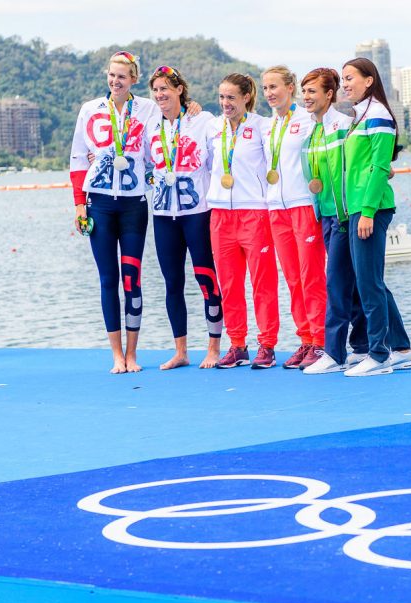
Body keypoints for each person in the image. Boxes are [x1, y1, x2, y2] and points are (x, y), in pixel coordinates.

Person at [70, 51, 159, 374]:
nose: (115, 81)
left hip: (134, 204)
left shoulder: (148, 108)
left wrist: (190, 106)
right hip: (100, 204)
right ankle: (116, 355)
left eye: (122, 76)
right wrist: (80, 203)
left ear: (133, 79)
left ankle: (133, 354)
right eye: (111, 75)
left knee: (132, 280)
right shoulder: (90, 109)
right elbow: (78, 159)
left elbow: (164, 139)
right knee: (108, 279)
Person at [338, 58, 411, 377]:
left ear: (369, 80)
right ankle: (402, 350)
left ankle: (379, 354)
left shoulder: (379, 115)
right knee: (373, 282)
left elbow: (380, 166)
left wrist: (368, 212)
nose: (345, 84)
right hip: (359, 205)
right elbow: (373, 163)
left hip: (370, 208)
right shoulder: (360, 115)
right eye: (342, 79)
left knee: (368, 283)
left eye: (350, 78)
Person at [147, 65, 223, 370]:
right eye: (155, 89)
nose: (160, 94)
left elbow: (220, 153)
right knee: (172, 283)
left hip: (197, 213)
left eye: (165, 88)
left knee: (206, 279)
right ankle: (180, 351)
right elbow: (141, 163)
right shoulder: (151, 126)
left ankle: (214, 348)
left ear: (180, 89)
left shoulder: (201, 120)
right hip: (163, 214)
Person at [206, 73, 279, 369]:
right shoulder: (211, 126)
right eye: (222, 97)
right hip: (220, 214)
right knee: (230, 284)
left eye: (231, 98)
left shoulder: (263, 126)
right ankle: (237, 345)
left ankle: (268, 345)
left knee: (263, 283)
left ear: (247, 97)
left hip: (254, 213)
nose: (225, 103)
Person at [300, 68, 370, 375]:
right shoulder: (311, 131)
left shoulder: (344, 125)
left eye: (313, 91)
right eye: (304, 91)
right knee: (348, 282)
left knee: (337, 281)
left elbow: (357, 165)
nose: (307, 97)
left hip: (344, 216)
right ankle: (363, 345)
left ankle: (333, 351)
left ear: (330, 94)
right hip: (325, 215)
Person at [260, 66, 327, 370]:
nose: (270, 93)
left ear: (290, 88)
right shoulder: (266, 125)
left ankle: (322, 341)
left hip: (302, 205)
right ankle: (305, 339)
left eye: (274, 87)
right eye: (265, 88)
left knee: (311, 276)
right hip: (276, 208)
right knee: (292, 279)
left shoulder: (308, 120)